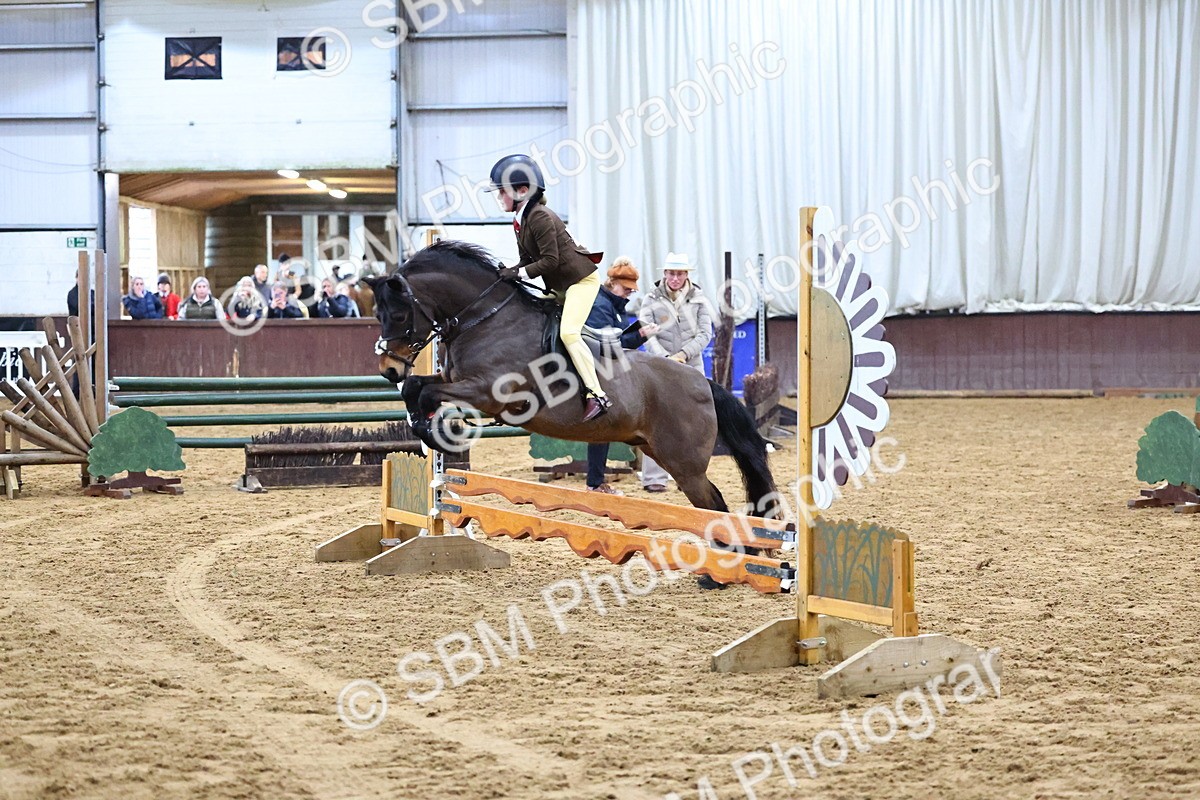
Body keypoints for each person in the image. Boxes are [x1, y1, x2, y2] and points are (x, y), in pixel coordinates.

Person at [491, 153, 609, 422]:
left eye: (502, 192)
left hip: (580, 282)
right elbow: (527, 259)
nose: (499, 197)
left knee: (569, 333)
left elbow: (550, 260)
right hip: (559, 283)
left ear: (522, 191)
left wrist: (518, 272)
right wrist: (508, 271)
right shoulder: (521, 218)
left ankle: (597, 394)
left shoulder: (540, 216)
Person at [636, 252, 714, 492]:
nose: (675, 278)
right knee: (654, 420)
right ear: (665, 274)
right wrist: (666, 358)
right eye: (671, 273)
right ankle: (653, 479)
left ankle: (690, 477)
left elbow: (704, 334)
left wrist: (683, 355)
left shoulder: (699, 299)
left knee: (694, 422)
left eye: (679, 274)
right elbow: (647, 332)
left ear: (686, 275)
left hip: (690, 366)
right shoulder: (651, 298)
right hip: (660, 368)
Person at [582, 258, 656, 494]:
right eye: (626, 289)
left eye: (631, 291)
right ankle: (595, 482)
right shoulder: (600, 305)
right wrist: (640, 336)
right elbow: (606, 343)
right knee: (601, 423)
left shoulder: (614, 304)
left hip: (609, 367)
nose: (628, 295)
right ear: (612, 283)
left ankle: (596, 481)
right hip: (596, 368)